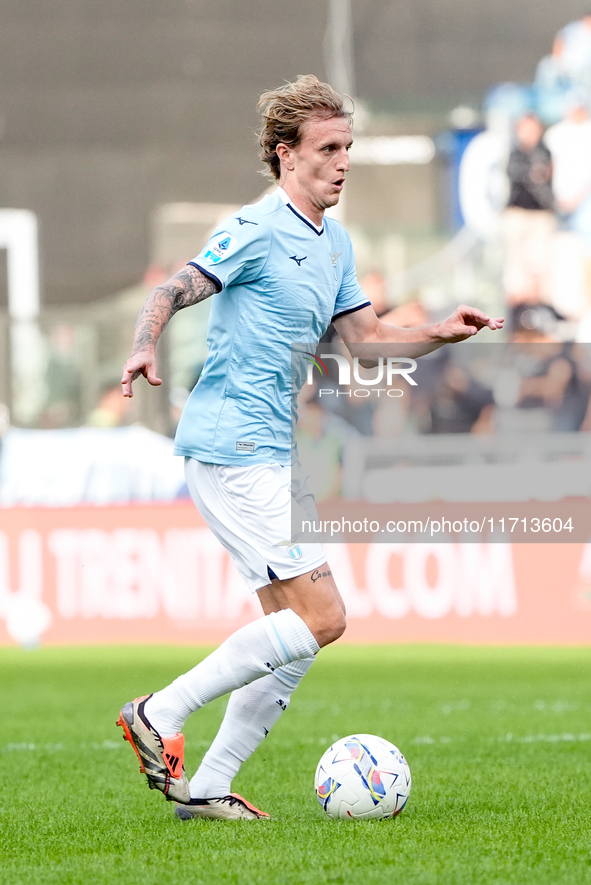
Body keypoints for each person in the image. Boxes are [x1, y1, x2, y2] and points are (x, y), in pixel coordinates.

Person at [117, 75, 504, 821]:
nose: (343, 161)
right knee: (324, 615)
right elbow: (172, 288)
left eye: (348, 147)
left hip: (271, 448)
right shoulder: (257, 228)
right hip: (232, 443)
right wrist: (142, 347)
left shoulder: (335, 244)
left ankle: (204, 789)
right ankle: (158, 712)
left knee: (291, 638)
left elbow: (364, 342)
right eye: (327, 148)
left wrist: (439, 332)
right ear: (285, 154)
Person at [502, 113, 555, 306]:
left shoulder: (545, 152)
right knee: (516, 268)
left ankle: (538, 305)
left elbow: (545, 178)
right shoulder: (515, 153)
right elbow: (517, 174)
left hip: (540, 215)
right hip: (518, 213)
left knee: (540, 264)